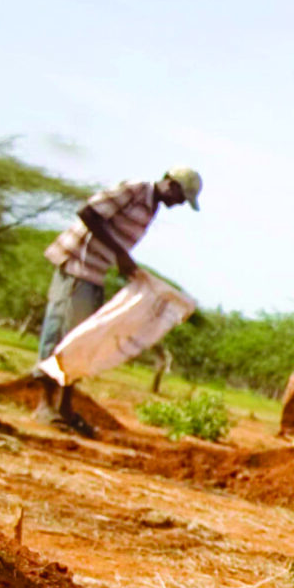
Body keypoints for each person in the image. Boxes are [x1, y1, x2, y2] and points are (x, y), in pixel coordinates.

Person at [36, 167, 201, 422]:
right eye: (181, 197)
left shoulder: (151, 207)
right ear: (171, 184)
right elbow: (88, 212)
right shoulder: (135, 189)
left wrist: (126, 265)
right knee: (60, 334)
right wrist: (120, 254)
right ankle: (45, 405)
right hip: (77, 266)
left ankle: (64, 407)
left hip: (95, 272)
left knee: (82, 339)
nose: (179, 203)